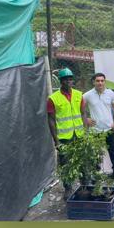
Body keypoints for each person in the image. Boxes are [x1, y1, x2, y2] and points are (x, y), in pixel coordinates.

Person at [47, 68, 89, 196]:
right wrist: (57, 141)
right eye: (65, 79)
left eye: (70, 79)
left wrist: (86, 131)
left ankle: (85, 184)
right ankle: (68, 188)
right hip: (64, 137)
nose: (68, 82)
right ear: (61, 81)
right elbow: (51, 120)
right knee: (66, 164)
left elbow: (83, 113)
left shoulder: (79, 94)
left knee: (83, 161)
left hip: (79, 135)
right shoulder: (53, 99)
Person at [82, 72, 114, 180]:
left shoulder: (110, 93)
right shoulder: (87, 95)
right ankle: (96, 175)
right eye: (97, 81)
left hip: (109, 129)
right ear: (93, 82)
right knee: (95, 153)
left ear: (104, 82)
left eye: (102, 81)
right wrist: (86, 119)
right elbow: (81, 110)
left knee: (113, 151)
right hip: (95, 130)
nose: (100, 83)